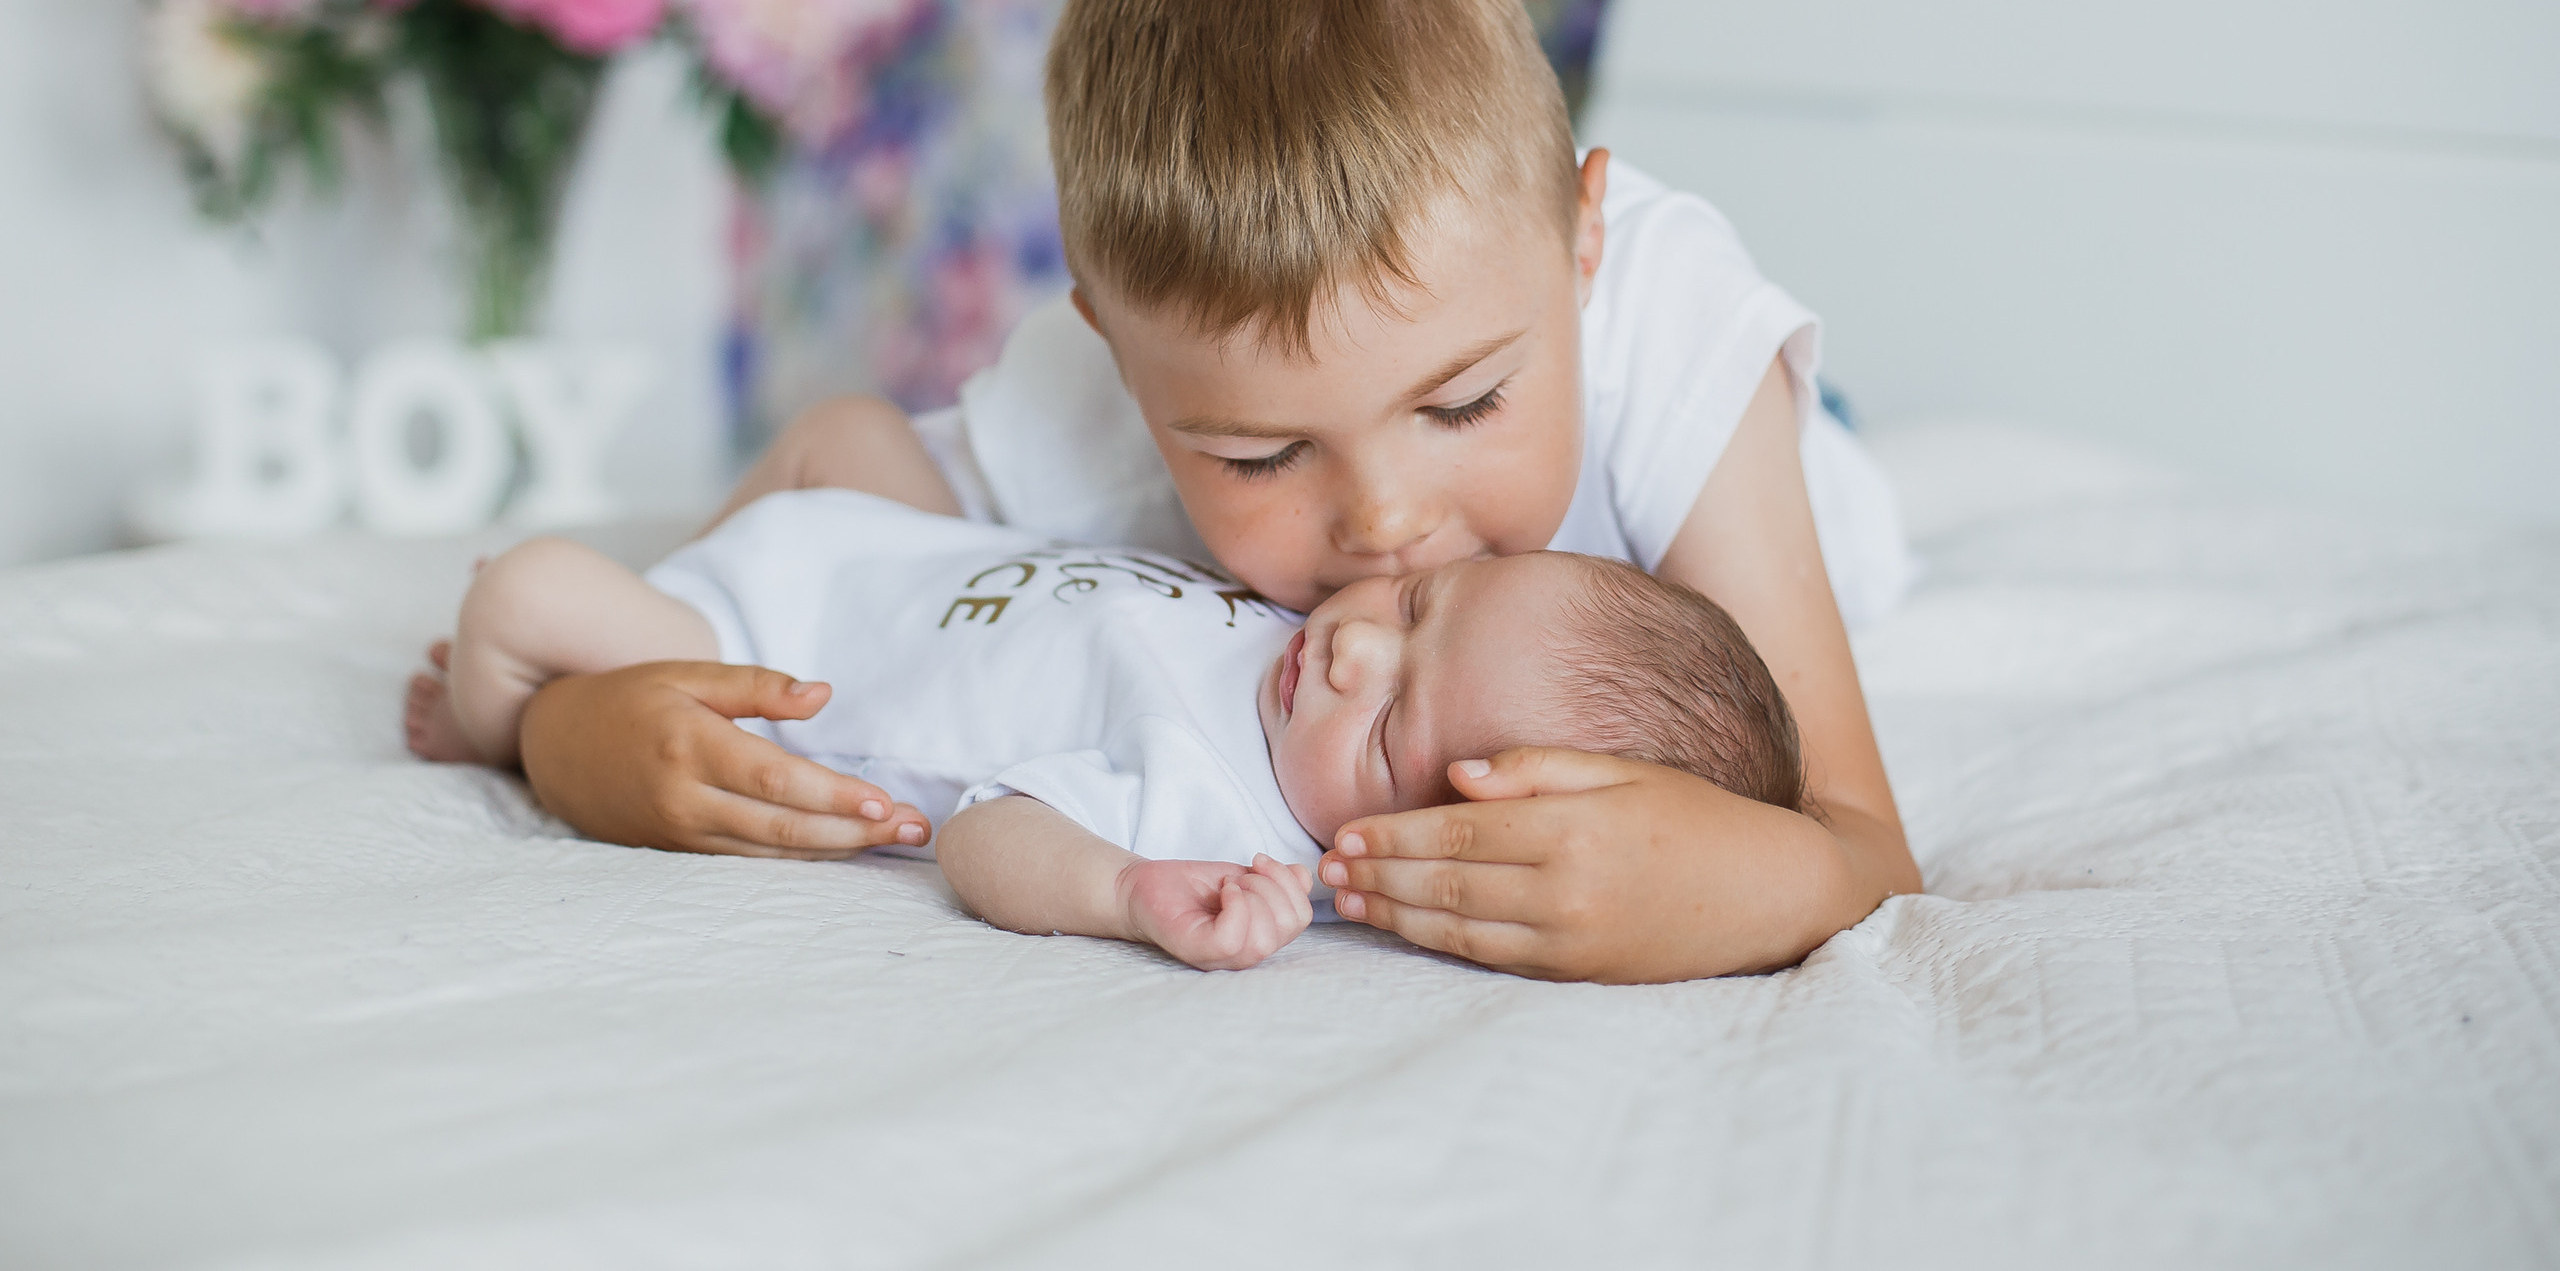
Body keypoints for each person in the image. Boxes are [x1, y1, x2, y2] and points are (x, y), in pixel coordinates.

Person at [436, 0, 1922, 983]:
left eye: (1465, 400)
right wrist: (578, 730)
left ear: (1579, 240)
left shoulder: (1661, 334)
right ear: (1118, 358)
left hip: (1785, 478)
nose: (1384, 522)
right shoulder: (1094, 399)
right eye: (1260, 455)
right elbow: (847, 526)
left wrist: (1710, 886)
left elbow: (1862, 847)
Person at [409, 476, 1804, 973]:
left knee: (526, 588)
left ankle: (491, 719)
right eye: (1422, 602)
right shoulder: (1304, 640)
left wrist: (1128, 893)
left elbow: (989, 837)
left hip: (756, 649)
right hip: (853, 544)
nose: (1354, 645)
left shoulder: (1231, 823)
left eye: (1389, 727)